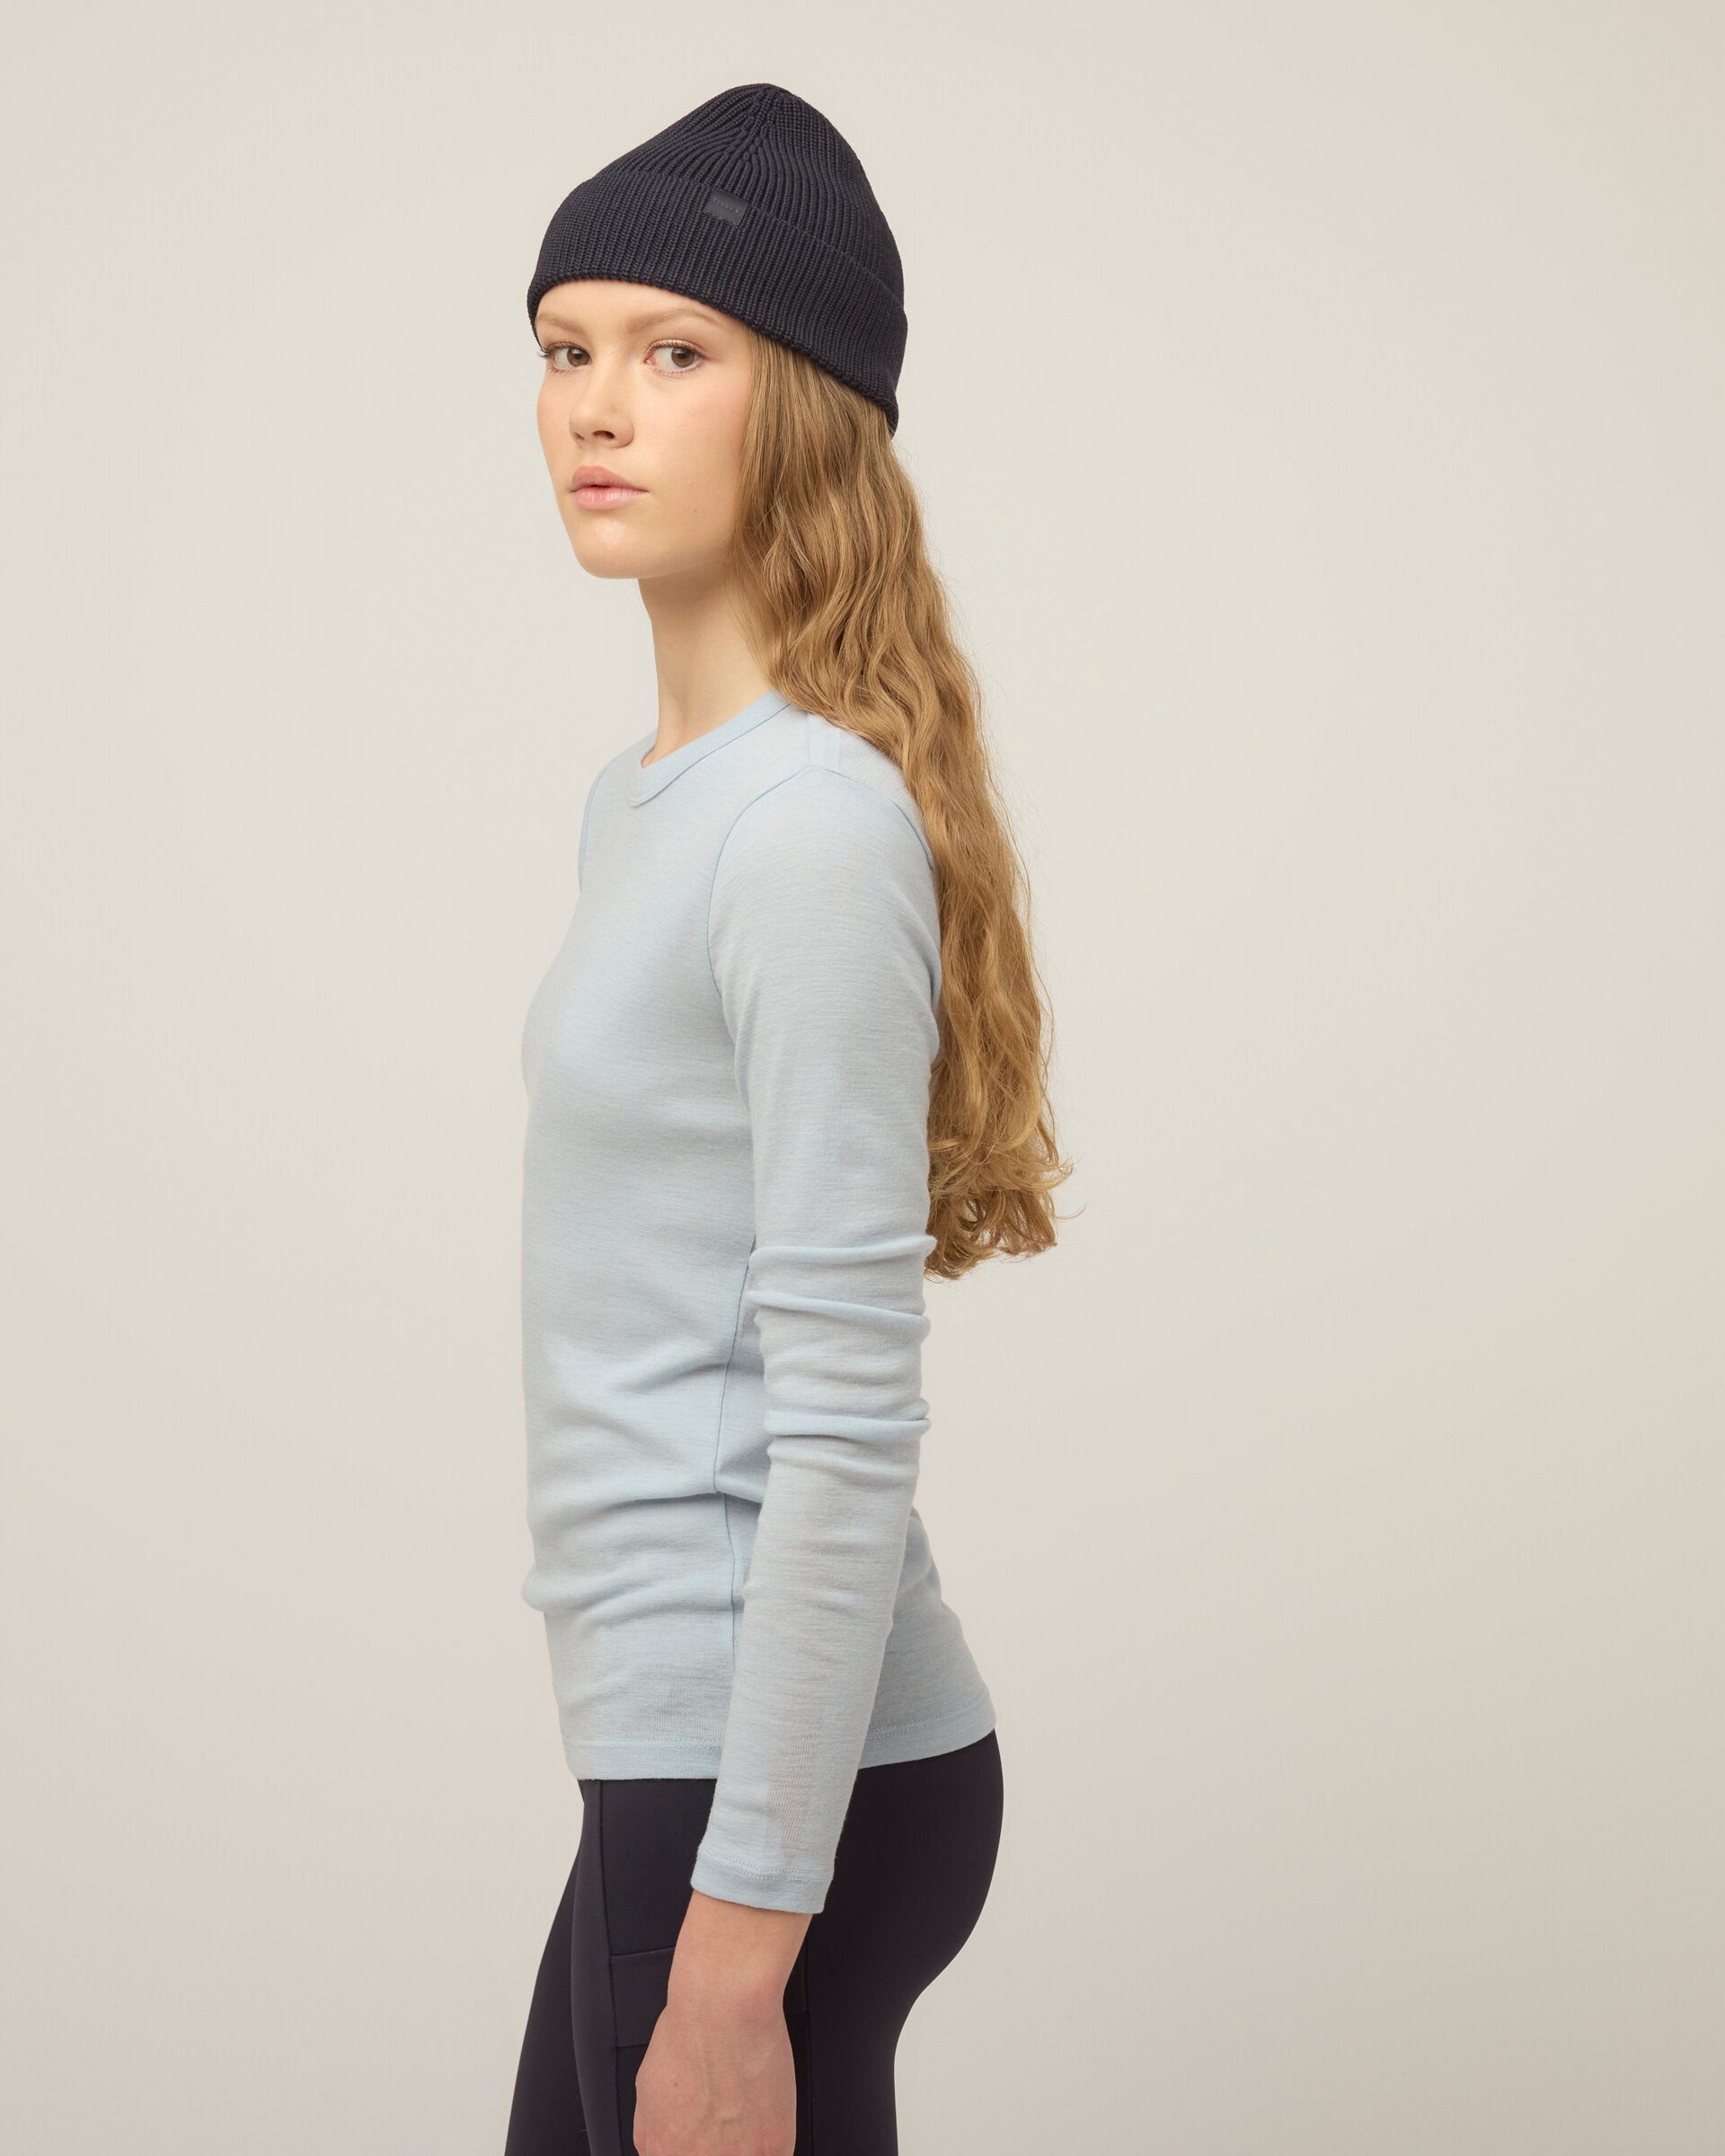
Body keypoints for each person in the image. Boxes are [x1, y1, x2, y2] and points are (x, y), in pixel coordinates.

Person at [505, 83, 1072, 2156]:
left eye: (674, 353)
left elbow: (842, 1421)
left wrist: (739, 1955)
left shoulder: (806, 831)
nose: (598, 406)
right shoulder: (651, 804)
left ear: (807, 409)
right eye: (566, 348)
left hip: (767, 1788)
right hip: (696, 1753)